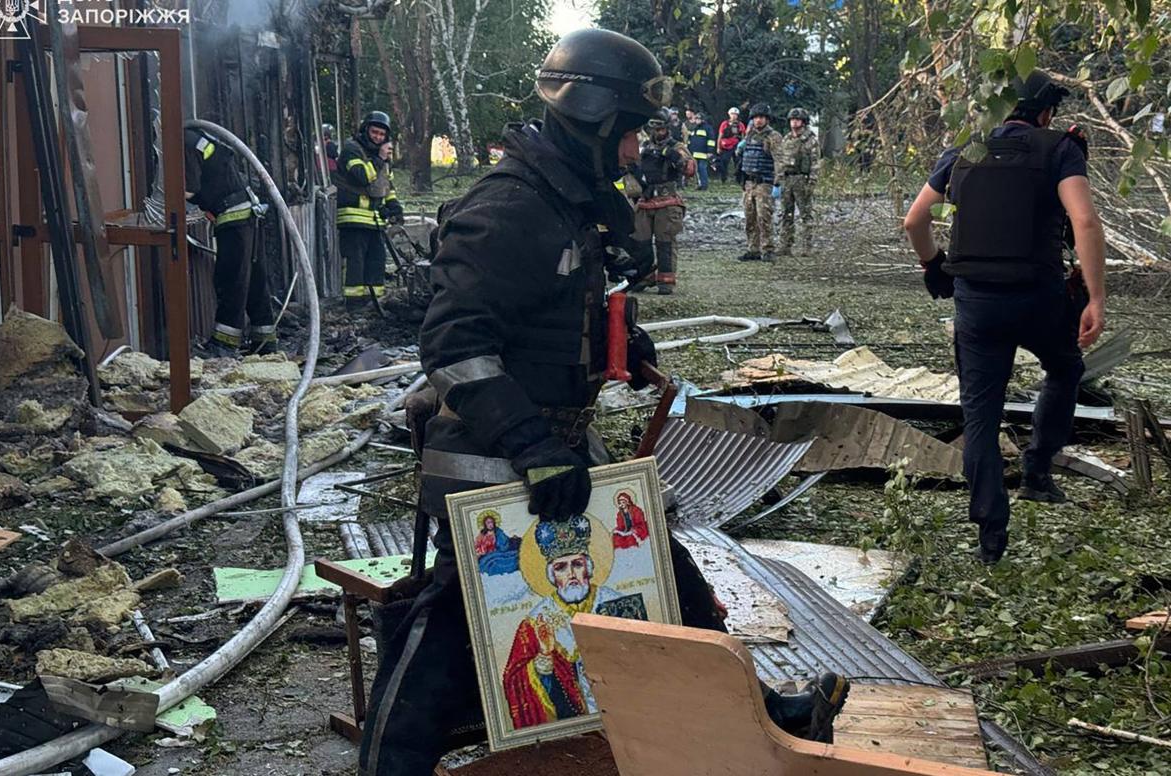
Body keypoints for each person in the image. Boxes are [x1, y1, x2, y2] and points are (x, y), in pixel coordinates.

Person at [357, 29, 848, 776]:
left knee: (663, 574)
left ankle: (755, 706)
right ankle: (385, 765)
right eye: (625, 135)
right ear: (587, 120)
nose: (631, 153)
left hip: (554, 443)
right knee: (453, 620)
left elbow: (559, 307)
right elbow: (454, 346)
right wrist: (530, 447)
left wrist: (624, 342)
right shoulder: (509, 209)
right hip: (494, 452)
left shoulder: (564, 204)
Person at [902, 69, 1105, 565]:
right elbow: (1084, 220)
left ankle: (991, 538)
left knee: (981, 417)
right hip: (1039, 299)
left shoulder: (963, 153)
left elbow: (914, 219)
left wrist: (934, 266)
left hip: (977, 307)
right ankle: (1037, 472)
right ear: (1044, 112)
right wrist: (1096, 297)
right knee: (1065, 368)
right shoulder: (1060, 148)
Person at [501, 515, 624, 727]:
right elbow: (514, 679)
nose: (571, 574)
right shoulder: (536, 621)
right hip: (573, 724)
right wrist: (540, 669)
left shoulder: (615, 603)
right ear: (552, 575)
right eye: (561, 567)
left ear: (588, 567)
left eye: (577, 564)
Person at [184, 126, 276, 357]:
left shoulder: (182, 141)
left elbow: (188, 189)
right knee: (255, 280)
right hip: (248, 212)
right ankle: (265, 342)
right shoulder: (199, 135)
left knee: (230, 279)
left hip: (233, 216)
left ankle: (224, 345)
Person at [334, 110, 404, 310]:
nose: (378, 138)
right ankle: (354, 305)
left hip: (374, 220)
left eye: (382, 135)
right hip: (353, 218)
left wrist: (394, 207)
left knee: (377, 261)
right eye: (375, 133)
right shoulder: (351, 150)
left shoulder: (380, 158)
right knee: (356, 262)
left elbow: (386, 187)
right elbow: (361, 176)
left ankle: (373, 303)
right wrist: (380, 159)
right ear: (365, 130)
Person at [624, 108, 695, 295]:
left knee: (665, 242)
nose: (657, 133)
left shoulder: (676, 146)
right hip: (645, 199)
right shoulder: (643, 147)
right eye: (654, 129)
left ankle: (666, 279)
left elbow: (689, 169)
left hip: (667, 199)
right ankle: (645, 276)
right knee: (640, 241)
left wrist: (674, 157)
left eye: (661, 129)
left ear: (667, 129)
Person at [735, 103, 781, 262]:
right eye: (755, 118)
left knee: (764, 217)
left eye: (761, 118)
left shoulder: (773, 137)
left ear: (767, 119)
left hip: (764, 183)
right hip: (749, 183)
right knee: (750, 218)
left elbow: (779, 161)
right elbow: (742, 158)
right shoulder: (749, 135)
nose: (758, 121)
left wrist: (777, 184)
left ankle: (767, 249)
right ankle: (752, 249)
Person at [777, 107, 820, 256]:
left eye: (797, 120)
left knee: (806, 215)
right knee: (786, 214)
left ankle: (807, 246)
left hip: (802, 179)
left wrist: (812, 182)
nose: (794, 123)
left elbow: (815, 162)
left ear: (803, 122)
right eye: (792, 120)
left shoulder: (810, 139)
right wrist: (779, 179)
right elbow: (781, 160)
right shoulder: (787, 138)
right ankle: (785, 245)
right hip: (787, 179)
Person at [684, 108, 716, 190]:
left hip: (704, 154)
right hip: (694, 154)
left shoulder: (708, 128)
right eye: (696, 119)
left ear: (702, 120)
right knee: (695, 171)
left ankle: (704, 185)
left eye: (698, 119)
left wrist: (710, 151)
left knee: (702, 169)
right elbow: (691, 141)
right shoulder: (694, 128)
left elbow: (711, 140)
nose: (697, 120)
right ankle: (699, 185)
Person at [715, 106, 745, 183]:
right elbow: (720, 136)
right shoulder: (724, 124)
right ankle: (724, 178)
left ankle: (738, 178)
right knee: (724, 161)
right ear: (729, 114)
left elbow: (743, 137)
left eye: (735, 114)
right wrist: (718, 147)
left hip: (736, 145)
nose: (734, 116)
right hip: (726, 146)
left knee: (738, 162)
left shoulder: (740, 125)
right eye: (732, 114)